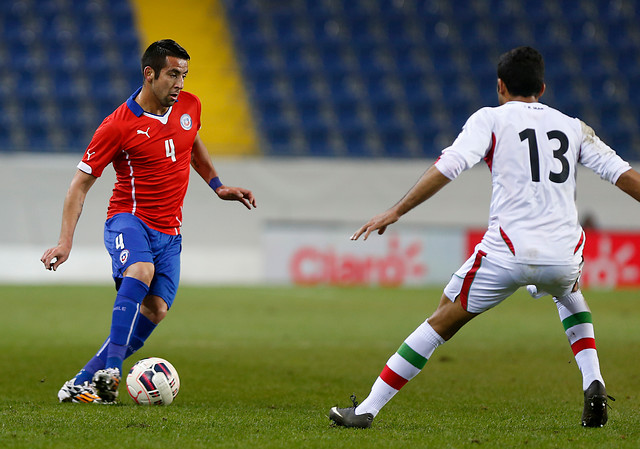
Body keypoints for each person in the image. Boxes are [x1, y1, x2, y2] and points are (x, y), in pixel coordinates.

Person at [329, 46, 640, 428]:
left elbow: (450, 165)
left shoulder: (490, 119)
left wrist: (397, 210)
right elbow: (623, 175)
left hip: (507, 251)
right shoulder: (573, 126)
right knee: (570, 291)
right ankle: (593, 380)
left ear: (500, 86)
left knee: (443, 317)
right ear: (542, 87)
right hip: (563, 253)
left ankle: (367, 410)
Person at [41, 39, 256, 403]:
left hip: (170, 232)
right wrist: (65, 243)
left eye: (184, 75)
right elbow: (79, 186)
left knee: (155, 310)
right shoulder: (117, 125)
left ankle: (82, 381)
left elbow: (192, 143)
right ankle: (111, 370)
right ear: (150, 73)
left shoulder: (189, 105)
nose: (180, 84)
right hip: (129, 219)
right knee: (140, 270)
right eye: (173, 74)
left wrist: (217, 186)